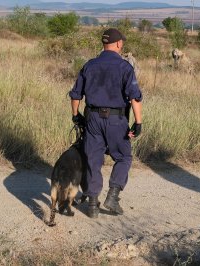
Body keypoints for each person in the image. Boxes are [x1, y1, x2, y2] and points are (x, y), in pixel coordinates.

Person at [69, 28, 143, 218]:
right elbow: (135, 98)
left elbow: (76, 94)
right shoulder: (125, 67)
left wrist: (76, 115)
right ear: (119, 44)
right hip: (116, 119)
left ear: (104, 44)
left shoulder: (89, 65)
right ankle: (113, 195)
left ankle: (92, 204)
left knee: (93, 159)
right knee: (123, 157)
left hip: (92, 118)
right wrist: (138, 123)